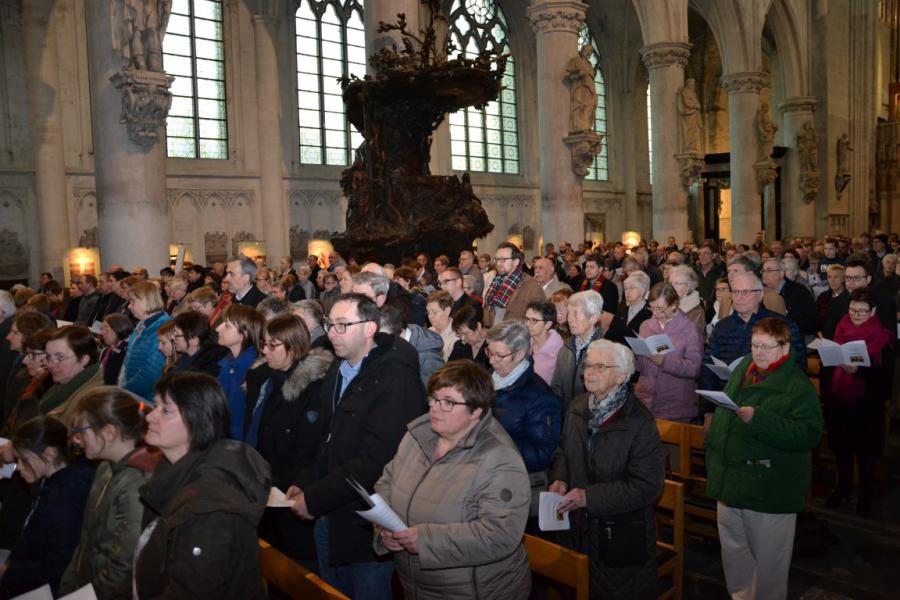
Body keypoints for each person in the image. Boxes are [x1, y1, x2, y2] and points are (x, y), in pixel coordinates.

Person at [287, 293, 426, 600]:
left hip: (367, 525)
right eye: (329, 324)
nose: (331, 333)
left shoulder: (395, 379)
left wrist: (317, 496)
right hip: (331, 515)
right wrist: (306, 481)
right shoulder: (338, 368)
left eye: (342, 325)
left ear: (369, 328)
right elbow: (328, 439)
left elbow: (378, 459)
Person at [375, 361, 531, 600]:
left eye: (448, 402)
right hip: (416, 586)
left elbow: (500, 534)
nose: (435, 408)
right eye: (434, 399)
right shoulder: (418, 435)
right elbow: (386, 483)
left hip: (474, 591)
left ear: (476, 411)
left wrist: (428, 541)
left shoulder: (499, 458)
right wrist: (383, 529)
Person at [704, 318, 822, 600]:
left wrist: (760, 420)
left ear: (784, 347)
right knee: (735, 558)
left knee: (769, 567)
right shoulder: (745, 368)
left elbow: (809, 434)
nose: (759, 352)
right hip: (731, 484)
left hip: (769, 490)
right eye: (755, 345)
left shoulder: (797, 385)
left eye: (767, 347)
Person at [134, 372, 271, 599]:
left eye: (166, 410)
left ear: (197, 420)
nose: (150, 417)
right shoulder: (172, 471)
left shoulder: (211, 505)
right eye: (156, 406)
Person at [550, 340, 665, 599]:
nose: (590, 371)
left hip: (620, 535)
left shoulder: (638, 421)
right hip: (577, 529)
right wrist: (560, 478)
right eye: (588, 365)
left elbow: (647, 486)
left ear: (622, 375)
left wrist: (589, 497)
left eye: (600, 366)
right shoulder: (578, 407)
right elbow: (563, 451)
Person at [245, 314, 334, 568]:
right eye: (264, 344)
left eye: (273, 345)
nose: (265, 350)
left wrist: (284, 485)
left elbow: (309, 447)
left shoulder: (313, 387)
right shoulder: (265, 379)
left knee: (292, 567)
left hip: (289, 489)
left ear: (293, 347)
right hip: (264, 482)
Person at [59, 387, 156, 599]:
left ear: (109, 433)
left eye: (80, 433)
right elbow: (85, 540)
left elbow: (123, 567)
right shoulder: (105, 468)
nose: (75, 440)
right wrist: (68, 586)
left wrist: (83, 596)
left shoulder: (136, 485)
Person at [0, 416, 95, 598]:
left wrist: (8, 574)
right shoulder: (51, 481)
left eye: (23, 460)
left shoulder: (66, 496)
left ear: (49, 454)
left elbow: (58, 564)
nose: (18, 467)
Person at [826, 288, 893, 516]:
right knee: (841, 447)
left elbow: (886, 376)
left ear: (873, 311)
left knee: (864, 452)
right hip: (840, 398)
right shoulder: (841, 328)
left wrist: (859, 372)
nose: (856, 314)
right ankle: (842, 487)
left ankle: (865, 494)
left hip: (867, 402)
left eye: (862, 311)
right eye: (853, 309)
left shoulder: (882, 337)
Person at [486, 320, 561, 475]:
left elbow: (543, 453)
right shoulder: (485, 378)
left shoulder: (541, 397)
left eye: (499, 355)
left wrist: (494, 450)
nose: (492, 360)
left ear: (519, 354)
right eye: (489, 352)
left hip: (511, 476)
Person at [634, 283, 703, 422]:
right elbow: (641, 367)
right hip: (645, 400)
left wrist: (665, 362)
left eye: (660, 308)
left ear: (674, 305)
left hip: (675, 404)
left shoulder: (689, 329)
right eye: (651, 308)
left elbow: (694, 368)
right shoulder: (646, 325)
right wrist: (634, 357)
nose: (655, 313)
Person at [215, 304, 264, 440]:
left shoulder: (249, 370)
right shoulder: (229, 363)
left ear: (244, 334)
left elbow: (238, 422)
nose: (218, 328)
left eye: (227, 326)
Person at [552, 290, 606, 411]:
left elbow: (602, 399)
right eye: (569, 313)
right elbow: (556, 388)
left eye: (575, 314)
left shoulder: (604, 354)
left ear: (593, 318)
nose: (570, 319)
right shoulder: (566, 348)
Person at [120, 281, 172, 402]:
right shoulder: (143, 324)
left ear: (146, 300)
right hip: (135, 395)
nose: (129, 306)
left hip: (148, 399)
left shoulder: (163, 328)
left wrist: (124, 392)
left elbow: (151, 373)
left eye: (132, 301)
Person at [41, 326, 104, 419]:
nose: (50, 365)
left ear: (83, 360)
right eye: (48, 357)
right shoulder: (67, 381)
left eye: (60, 357)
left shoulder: (88, 405)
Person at [379, 305, 444, 387]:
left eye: (383, 337)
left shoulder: (428, 356)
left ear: (399, 333)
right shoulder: (399, 343)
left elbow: (432, 391)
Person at [483, 243, 545, 327]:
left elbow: (537, 322)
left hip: (516, 337)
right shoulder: (496, 281)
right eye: (496, 259)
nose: (498, 263)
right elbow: (489, 313)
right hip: (494, 335)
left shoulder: (532, 287)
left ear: (516, 262)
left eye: (503, 259)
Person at [170, 310, 229, 376]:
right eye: (173, 332)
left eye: (176, 334)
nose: (172, 337)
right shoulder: (187, 355)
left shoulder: (203, 370)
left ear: (194, 340)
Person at [606, 271, 653, 344]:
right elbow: (610, 336)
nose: (627, 292)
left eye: (632, 288)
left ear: (642, 290)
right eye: (626, 289)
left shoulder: (651, 312)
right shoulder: (622, 310)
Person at [524, 301, 564, 385]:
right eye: (527, 319)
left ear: (548, 325)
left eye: (534, 320)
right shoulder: (523, 342)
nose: (527, 324)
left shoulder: (559, 352)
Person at [668, 265, 707, 336]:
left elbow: (693, 338)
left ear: (688, 286)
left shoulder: (697, 311)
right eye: (671, 284)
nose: (672, 288)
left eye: (677, 284)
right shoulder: (667, 303)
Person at [98, 314, 133, 385]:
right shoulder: (106, 350)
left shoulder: (128, 353)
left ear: (119, 328)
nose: (102, 333)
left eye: (107, 328)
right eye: (102, 328)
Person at [426, 290, 458, 361]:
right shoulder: (428, 332)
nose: (430, 316)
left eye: (434, 312)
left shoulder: (457, 336)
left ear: (447, 311)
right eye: (428, 312)